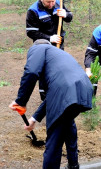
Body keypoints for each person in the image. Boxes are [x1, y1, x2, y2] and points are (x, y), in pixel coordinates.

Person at [9, 39, 93, 169]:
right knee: (67, 123)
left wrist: (21, 101)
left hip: (65, 91)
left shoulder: (38, 48)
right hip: (84, 88)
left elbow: (31, 72)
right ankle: (73, 165)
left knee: (54, 140)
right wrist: (34, 118)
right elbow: (53, 96)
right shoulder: (58, 55)